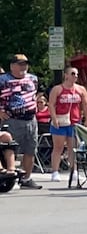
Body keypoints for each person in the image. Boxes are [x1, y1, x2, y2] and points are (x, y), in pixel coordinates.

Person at [1, 54, 43, 188]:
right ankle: (10, 177)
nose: (23, 67)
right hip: (12, 119)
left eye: (25, 64)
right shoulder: (3, 80)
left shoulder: (33, 79)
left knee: (31, 148)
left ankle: (26, 178)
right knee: (10, 147)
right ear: (12, 66)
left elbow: (36, 94)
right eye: (20, 64)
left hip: (31, 119)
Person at [45, 67, 87, 182]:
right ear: (66, 75)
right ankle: (55, 171)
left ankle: (73, 170)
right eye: (73, 73)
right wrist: (54, 119)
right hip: (61, 121)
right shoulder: (57, 89)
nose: (75, 76)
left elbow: (86, 105)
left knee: (73, 147)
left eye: (76, 74)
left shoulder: (81, 89)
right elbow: (51, 104)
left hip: (74, 122)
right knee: (58, 147)